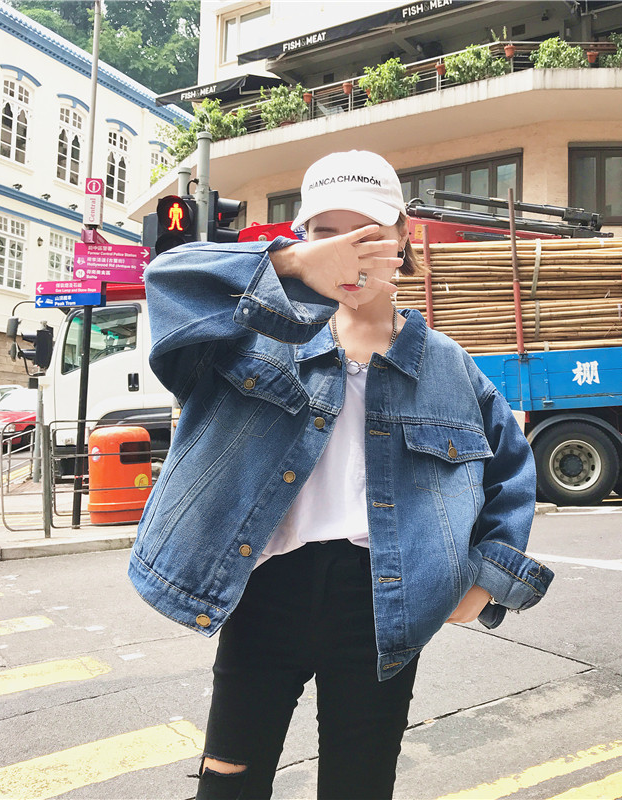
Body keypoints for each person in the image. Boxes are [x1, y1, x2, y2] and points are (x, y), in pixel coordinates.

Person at [129, 150, 553, 800]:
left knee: (360, 785)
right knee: (228, 785)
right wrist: (292, 266)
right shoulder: (252, 337)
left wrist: (486, 579)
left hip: (383, 602)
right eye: (326, 235)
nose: (347, 254)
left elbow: (510, 467)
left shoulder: (447, 367)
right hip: (265, 592)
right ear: (302, 240)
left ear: (403, 239)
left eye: (367, 235)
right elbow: (168, 282)